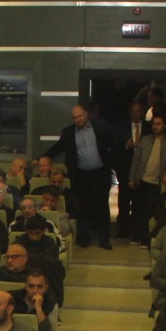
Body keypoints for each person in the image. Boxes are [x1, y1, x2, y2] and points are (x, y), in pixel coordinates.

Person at [40, 104, 120, 249]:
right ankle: (84, 238)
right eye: (75, 117)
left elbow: (114, 142)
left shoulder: (100, 127)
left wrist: (111, 160)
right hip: (81, 174)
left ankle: (104, 239)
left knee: (102, 205)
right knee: (83, 207)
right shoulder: (68, 132)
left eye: (80, 116)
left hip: (100, 172)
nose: (78, 119)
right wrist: (41, 157)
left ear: (86, 114)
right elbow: (57, 148)